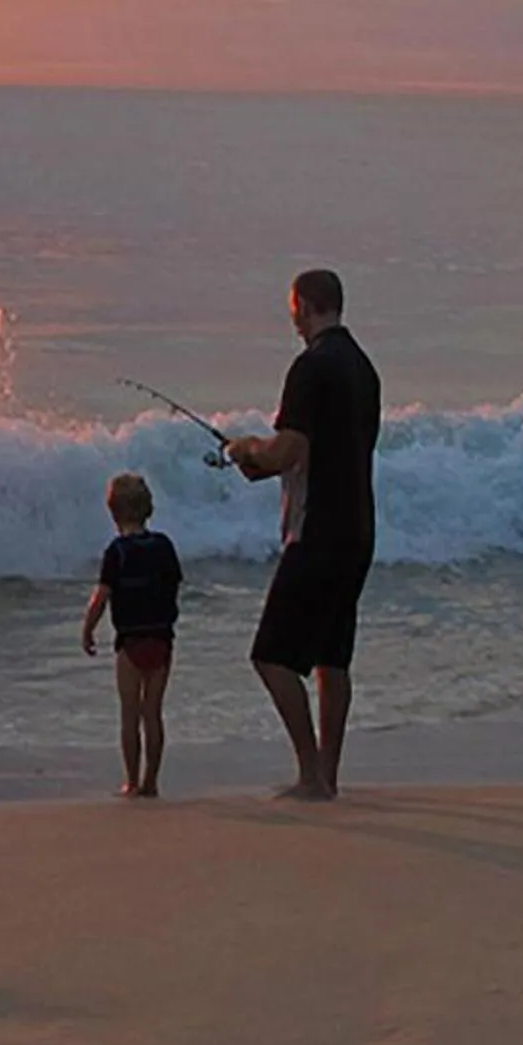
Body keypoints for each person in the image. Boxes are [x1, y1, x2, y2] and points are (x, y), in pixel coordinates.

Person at [225, 268, 381, 800]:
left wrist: (246, 451)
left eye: (293, 308)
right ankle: (329, 776)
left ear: (308, 306)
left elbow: (288, 450)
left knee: (271, 655)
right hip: (360, 527)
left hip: (317, 530)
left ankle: (310, 774)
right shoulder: (364, 369)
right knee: (332, 658)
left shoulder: (310, 368)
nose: (291, 319)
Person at [80, 471, 181, 798]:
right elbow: (174, 585)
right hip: (162, 638)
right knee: (153, 712)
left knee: (129, 714)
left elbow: (101, 596)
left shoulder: (116, 551)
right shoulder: (164, 545)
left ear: (113, 512)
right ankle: (152, 780)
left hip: (130, 642)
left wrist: (88, 629)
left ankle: (132, 781)